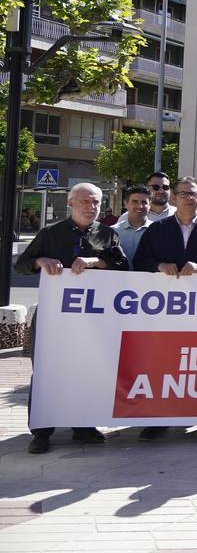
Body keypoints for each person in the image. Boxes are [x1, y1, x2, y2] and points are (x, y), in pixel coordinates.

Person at [16, 182, 127, 454]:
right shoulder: (50, 234)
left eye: (96, 203)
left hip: (92, 319)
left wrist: (94, 262)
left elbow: (123, 266)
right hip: (54, 318)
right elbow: (20, 265)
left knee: (85, 369)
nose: (91, 207)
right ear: (70, 203)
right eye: (85, 202)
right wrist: (40, 261)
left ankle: (82, 426)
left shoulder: (107, 235)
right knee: (46, 370)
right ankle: (41, 431)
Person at [132, 177, 197, 441]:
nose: (189, 198)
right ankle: (158, 419)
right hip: (167, 314)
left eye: (194, 194)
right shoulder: (157, 230)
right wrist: (158, 266)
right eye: (184, 194)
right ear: (174, 198)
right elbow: (140, 260)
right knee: (165, 365)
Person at [113, 186, 152, 263]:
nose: (140, 206)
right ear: (125, 204)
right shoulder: (113, 231)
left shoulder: (158, 231)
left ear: (150, 205)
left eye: (144, 202)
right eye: (135, 201)